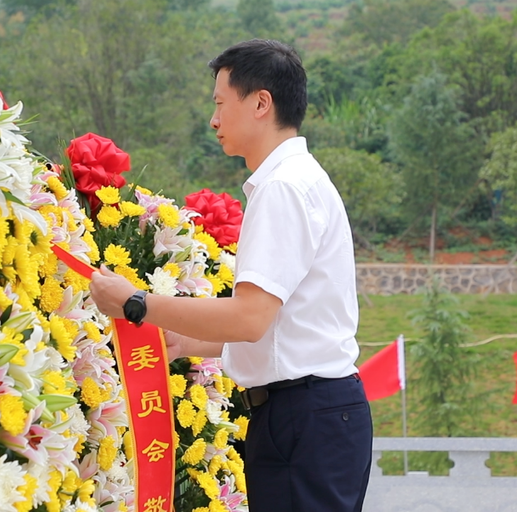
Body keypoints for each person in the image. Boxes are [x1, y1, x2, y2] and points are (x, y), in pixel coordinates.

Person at [89, 39, 372, 512]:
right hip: (312, 413)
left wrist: (137, 303)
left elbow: (250, 318)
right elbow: (283, 324)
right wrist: (189, 343)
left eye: (221, 104)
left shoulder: (283, 188)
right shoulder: (297, 179)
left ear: (261, 103)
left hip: (303, 416)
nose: (214, 120)